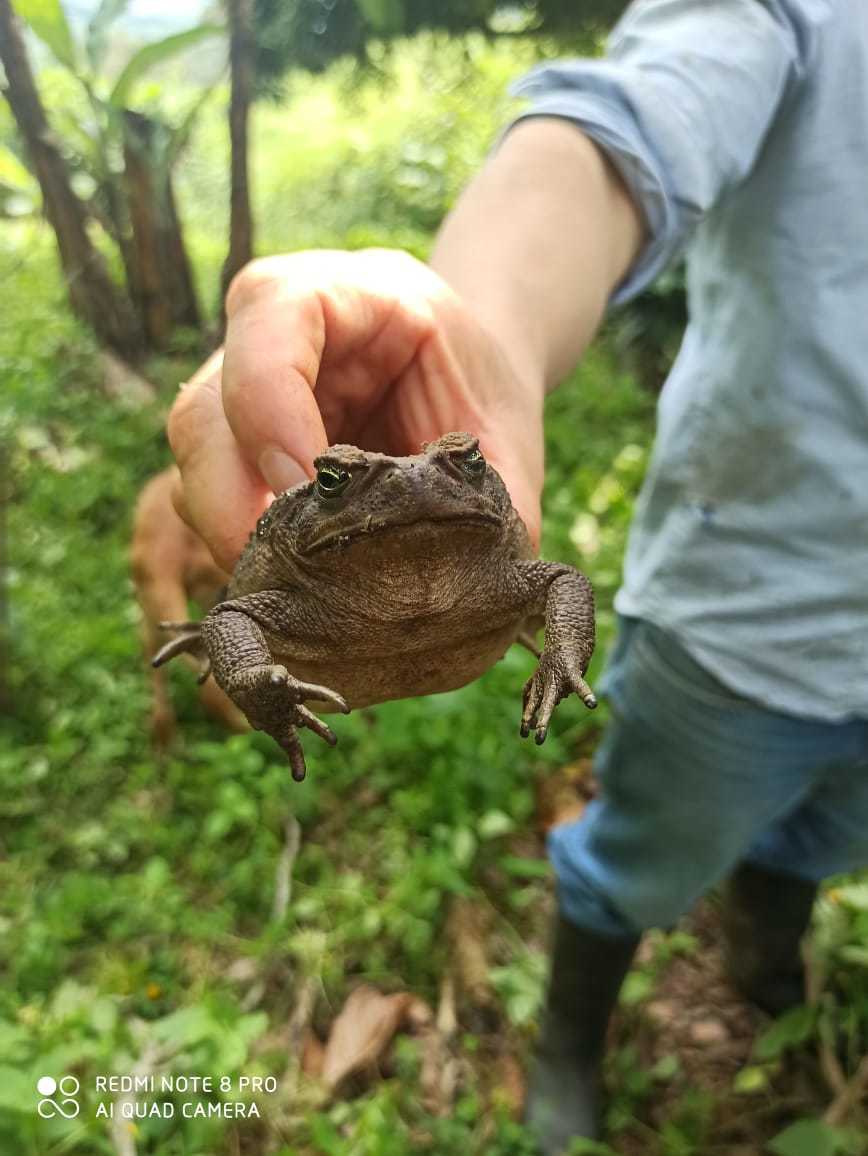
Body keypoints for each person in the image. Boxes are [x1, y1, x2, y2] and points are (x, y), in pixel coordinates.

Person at [168, 0, 868, 1149]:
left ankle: (766, 943)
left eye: (450, 470)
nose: (406, 486)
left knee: (823, 836)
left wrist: (556, 644)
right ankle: (569, 1042)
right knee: (644, 848)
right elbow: (612, 136)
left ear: (474, 488)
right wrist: (465, 320)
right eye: (348, 481)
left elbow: (554, 596)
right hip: (750, 621)